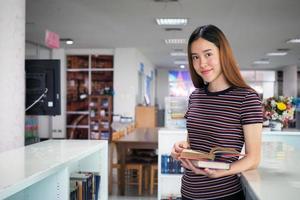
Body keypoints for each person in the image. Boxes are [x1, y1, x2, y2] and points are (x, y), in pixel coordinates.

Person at [171, 25, 263, 200]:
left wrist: (222, 171)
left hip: (223, 194)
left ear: (223, 53)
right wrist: (181, 148)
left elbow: (253, 159)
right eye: (195, 57)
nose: (201, 64)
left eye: (208, 54)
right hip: (188, 192)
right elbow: (195, 144)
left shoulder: (247, 98)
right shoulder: (195, 96)